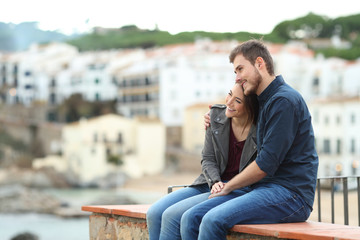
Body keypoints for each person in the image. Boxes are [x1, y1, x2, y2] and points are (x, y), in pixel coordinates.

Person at [192, 39, 319, 239]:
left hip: (291, 195)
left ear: (260, 63)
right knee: (193, 216)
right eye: (235, 72)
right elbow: (238, 112)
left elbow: (265, 164)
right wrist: (214, 118)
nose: (237, 78)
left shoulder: (283, 101)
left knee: (211, 220)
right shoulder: (265, 100)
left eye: (240, 69)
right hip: (262, 189)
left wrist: (228, 186)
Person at [146, 81, 259, 240]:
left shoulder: (262, 129)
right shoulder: (216, 117)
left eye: (238, 101)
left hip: (237, 189)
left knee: (172, 216)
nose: (229, 102)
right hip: (209, 183)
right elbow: (208, 158)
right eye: (229, 94)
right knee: (155, 212)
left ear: (250, 108)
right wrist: (214, 181)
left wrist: (225, 185)